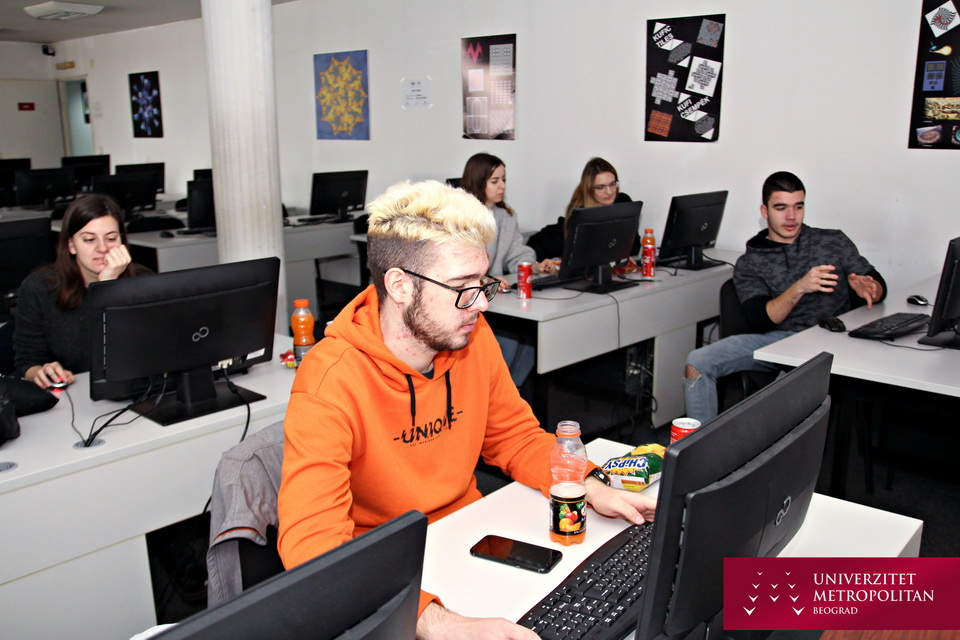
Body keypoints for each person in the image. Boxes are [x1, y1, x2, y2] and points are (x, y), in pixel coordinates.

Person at [278, 180, 657, 639]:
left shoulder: (469, 336)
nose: (480, 303)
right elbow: (311, 545)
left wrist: (589, 484)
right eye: (461, 286)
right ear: (400, 285)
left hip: (468, 536)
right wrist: (433, 623)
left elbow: (514, 436)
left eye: (482, 282)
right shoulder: (330, 380)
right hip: (382, 574)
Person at [683, 171, 886, 423]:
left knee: (782, 398)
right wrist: (799, 287)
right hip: (780, 340)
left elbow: (877, 286)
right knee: (697, 362)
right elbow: (762, 320)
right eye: (781, 208)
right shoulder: (750, 262)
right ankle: (697, 444)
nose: (791, 217)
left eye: (798, 207)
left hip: (832, 339)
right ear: (765, 211)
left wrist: (870, 289)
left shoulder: (832, 240)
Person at [13, 193, 149, 388]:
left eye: (111, 238)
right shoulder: (39, 288)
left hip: (130, 390)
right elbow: (27, 361)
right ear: (71, 245)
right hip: (70, 394)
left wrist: (107, 287)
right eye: (89, 239)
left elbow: (139, 354)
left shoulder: (143, 282)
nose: (102, 248)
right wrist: (42, 372)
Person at [460, 152, 555, 293]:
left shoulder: (506, 215)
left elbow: (516, 255)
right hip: (469, 294)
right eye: (494, 181)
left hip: (496, 292)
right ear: (478, 182)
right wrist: (485, 281)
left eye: (503, 179)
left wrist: (535, 267)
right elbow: (461, 266)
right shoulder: (460, 218)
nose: (502, 185)